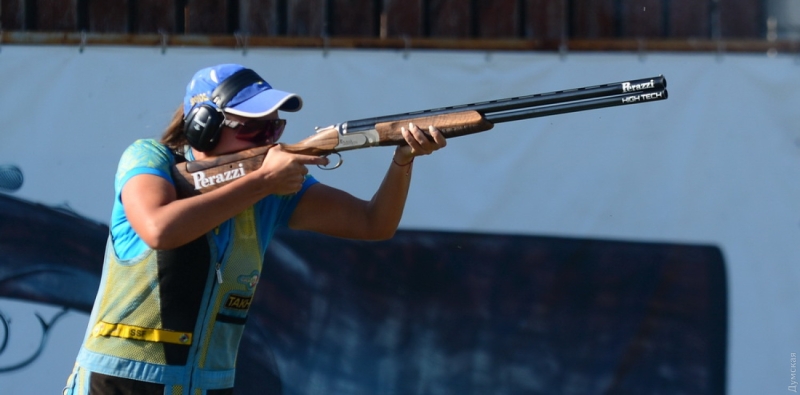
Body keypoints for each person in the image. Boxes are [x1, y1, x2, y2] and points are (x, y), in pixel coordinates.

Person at [63, 63, 446, 394]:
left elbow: (372, 223)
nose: (269, 139)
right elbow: (159, 230)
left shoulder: (275, 187)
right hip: (118, 381)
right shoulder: (150, 157)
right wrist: (263, 182)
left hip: (209, 385)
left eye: (274, 128)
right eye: (253, 129)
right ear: (203, 127)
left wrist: (403, 160)